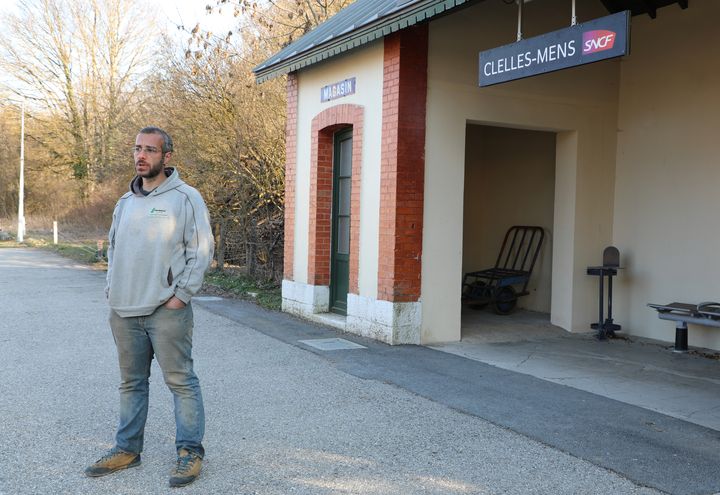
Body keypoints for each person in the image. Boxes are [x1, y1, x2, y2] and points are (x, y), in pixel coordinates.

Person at [85, 127, 214, 487]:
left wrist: (181, 295)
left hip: (165, 309)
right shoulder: (124, 203)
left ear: (167, 157)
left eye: (150, 150)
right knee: (131, 383)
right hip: (124, 311)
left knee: (181, 382)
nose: (141, 156)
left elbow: (201, 250)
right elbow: (112, 249)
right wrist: (112, 287)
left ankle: (189, 452)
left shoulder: (186, 198)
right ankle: (127, 449)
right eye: (138, 149)